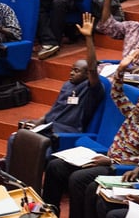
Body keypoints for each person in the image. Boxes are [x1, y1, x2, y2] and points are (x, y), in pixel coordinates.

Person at [48, 43, 139, 218]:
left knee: (78, 180)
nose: (137, 105)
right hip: (106, 157)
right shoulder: (134, 113)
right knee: (55, 166)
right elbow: (116, 93)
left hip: (118, 167)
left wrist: (112, 161)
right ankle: (50, 217)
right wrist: (121, 69)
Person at [8, 20, 104, 155]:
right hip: (49, 127)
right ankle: (10, 174)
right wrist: (38, 122)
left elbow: (93, 68)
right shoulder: (67, 85)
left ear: (87, 74)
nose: (71, 73)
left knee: (39, 149)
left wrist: (88, 38)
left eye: (76, 71)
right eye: (72, 69)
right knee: (15, 138)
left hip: (65, 132)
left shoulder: (91, 89)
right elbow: (55, 110)